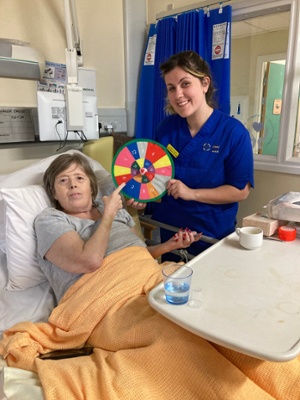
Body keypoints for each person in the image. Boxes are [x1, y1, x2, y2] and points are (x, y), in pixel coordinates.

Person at [34, 153, 201, 304]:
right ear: (53, 192)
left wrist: (170, 245)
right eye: (63, 180)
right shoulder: (50, 219)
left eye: (79, 178)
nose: (73, 185)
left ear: (91, 187)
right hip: (106, 297)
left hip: (148, 277)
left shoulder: (113, 209)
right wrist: (108, 215)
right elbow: (89, 261)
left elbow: (137, 254)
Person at [152, 50, 254, 260]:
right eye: (171, 88)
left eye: (185, 84)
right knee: (173, 285)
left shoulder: (233, 133)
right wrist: (142, 196)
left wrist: (192, 193)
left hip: (211, 235)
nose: (177, 94)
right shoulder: (166, 129)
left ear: (205, 84)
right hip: (171, 232)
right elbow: (155, 174)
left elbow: (240, 191)